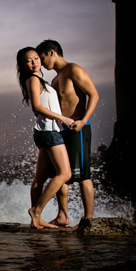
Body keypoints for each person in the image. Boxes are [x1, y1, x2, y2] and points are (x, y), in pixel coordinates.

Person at [36, 39, 99, 225]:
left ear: (51, 53)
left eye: (41, 57)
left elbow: (94, 94)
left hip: (78, 129)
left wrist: (83, 120)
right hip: (61, 131)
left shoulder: (73, 70)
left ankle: (88, 220)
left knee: (83, 176)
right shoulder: (55, 79)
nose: (41, 62)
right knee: (61, 173)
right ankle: (62, 216)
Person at [16, 47, 74, 229]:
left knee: (39, 178)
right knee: (65, 174)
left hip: (45, 131)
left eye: (36, 58)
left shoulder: (40, 80)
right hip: (49, 132)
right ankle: (37, 211)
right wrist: (63, 118)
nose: (34, 62)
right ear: (23, 65)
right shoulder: (33, 79)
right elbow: (37, 108)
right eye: (28, 60)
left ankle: (36, 220)